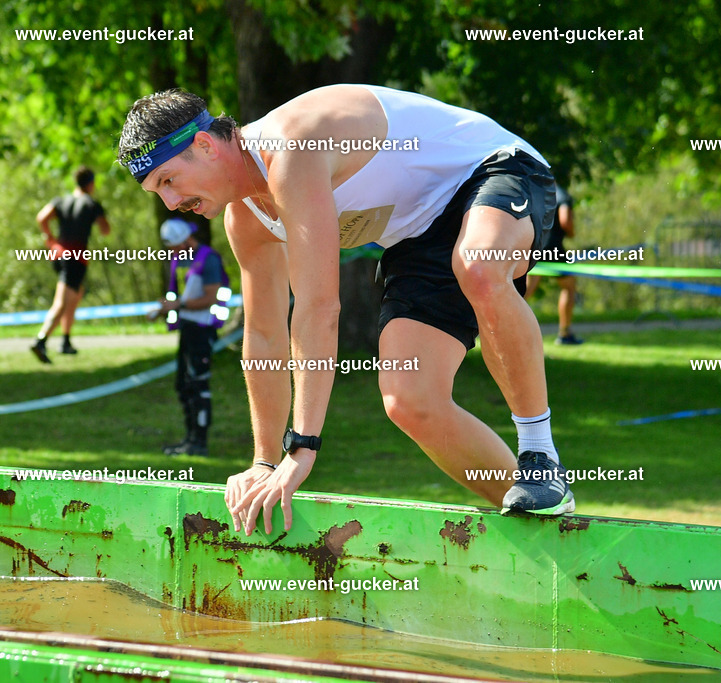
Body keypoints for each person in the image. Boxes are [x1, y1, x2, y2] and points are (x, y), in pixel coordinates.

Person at [118, 85, 574, 536]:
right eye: (156, 192)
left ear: (204, 145)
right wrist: (263, 460)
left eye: (168, 181)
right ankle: (545, 525)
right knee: (409, 401)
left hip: (494, 168)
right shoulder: (245, 220)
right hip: (419, 234)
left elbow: (318, 308)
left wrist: (303, 447)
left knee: (477, 265)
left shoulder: (291, 150)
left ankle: (540, 456)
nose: (171, 203)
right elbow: (263, 335)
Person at [151, 218, 230, 456]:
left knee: (198, 385)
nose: (172, 252)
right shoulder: (179, 260)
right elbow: (179, 295)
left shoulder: (209, 259)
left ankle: (200, 442)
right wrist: (164, 308)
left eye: (175, 246)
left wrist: (179, 304)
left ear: (186, 239)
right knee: (183, 385)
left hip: (203, 329)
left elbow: (211, 297)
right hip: (187, 328)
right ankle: (189, 439)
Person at [31, 166, 111, 363]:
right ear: (91, 184)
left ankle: (65, 341)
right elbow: (105, 230)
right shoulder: (92, 204)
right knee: (62, 301)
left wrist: (49, 237)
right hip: (75, 257)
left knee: (75, 294)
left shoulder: (61, 201)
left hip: (58, 253)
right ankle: (41, 340)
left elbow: (42, 218)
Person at [524, 184, 583, 344]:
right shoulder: (561, 194)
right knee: (569, 287)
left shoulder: (535, 192)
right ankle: (565, 333)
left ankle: (499, 325)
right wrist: (571, 232)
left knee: (525, 291)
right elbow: (565, 220)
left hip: (535, 245)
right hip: (553, 248)